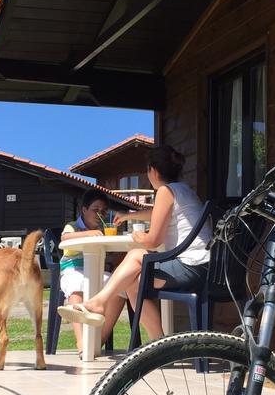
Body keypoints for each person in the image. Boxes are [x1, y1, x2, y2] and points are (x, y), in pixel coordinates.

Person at [58, 145, 211, 341]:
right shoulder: (184, 191)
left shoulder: (165, 191)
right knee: (133, 284)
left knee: (137, 254)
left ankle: (99, 302)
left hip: (192, 267)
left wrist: (140, 238)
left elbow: (154, 240)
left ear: (153, 171)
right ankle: (159, 344)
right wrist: (128, 215)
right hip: (204, 267)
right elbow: (157, 213)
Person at [58, 190, 127, 354]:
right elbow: (65, 238)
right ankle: (82, 343)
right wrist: (88, 233)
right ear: (84, 210)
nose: (100, 215)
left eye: (103, 211)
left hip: (99, 270)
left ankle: (97, 343)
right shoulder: (73, 226)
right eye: (96, 210)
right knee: (77, 286)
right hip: (73, 269)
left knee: (120, 289)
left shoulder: (104, 229)